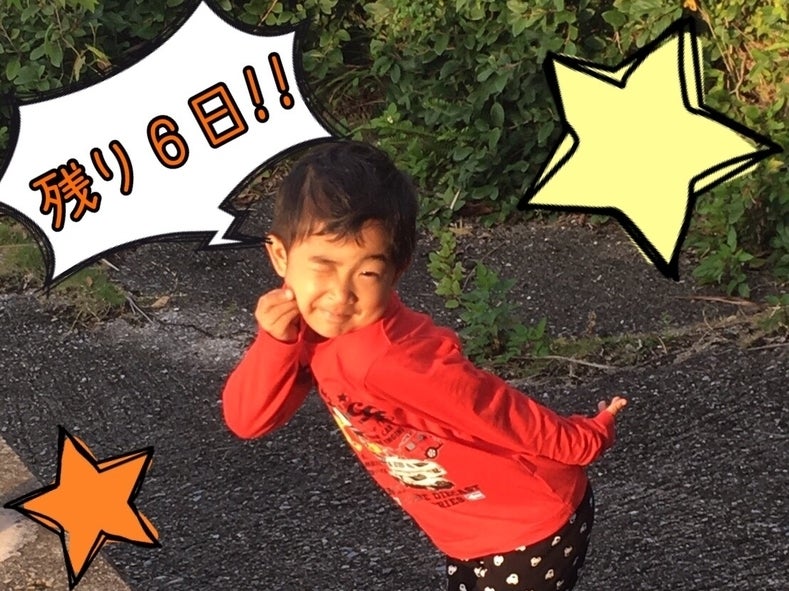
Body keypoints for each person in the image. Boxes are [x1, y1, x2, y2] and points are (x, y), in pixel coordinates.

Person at [222, 140, 627, 591]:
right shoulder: (309, 330)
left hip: (528, 528)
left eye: (367, 273)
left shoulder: (396, 358)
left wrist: (584, 439)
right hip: (471, 532)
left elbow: (493, 407)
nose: (340, 294)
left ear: (397, 270)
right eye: (323, 266)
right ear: (280, 255)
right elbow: (248, 419)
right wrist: (275, 342)